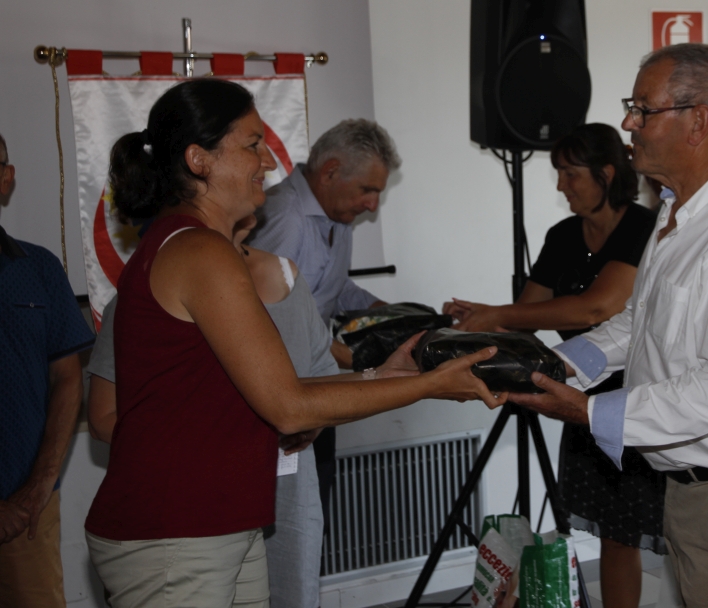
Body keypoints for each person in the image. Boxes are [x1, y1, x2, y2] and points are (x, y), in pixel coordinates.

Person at [84, 78, 504, 608]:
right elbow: (288, 406)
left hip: (221, 521)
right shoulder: (199, 251)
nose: (267, 161)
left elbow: (277, 388)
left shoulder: (198, 247)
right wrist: (427, 385)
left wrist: (385, 374)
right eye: (252, 144)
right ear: (199, 159)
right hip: (176, 529)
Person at [510, 44, 708, 608]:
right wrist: (555, 365)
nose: (628, 124)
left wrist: (589, 412)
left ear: (698, 121)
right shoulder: (678, 211)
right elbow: (640, 323)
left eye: (642, 109)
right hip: (694, 484)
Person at [85, 215, 399, 608]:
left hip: (279, 497)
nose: (259, 184)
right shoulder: (153, 287)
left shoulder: (287, 277)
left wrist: (386, 380)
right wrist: (224, 443)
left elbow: (316, 384)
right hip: (192, 512)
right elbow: (103, 416)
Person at [443, 123, 664, 608]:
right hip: (578, 395)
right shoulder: (563, 235)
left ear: (607, 173)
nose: (561, 185)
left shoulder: (643, 227)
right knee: (608, 528)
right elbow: (526, 315)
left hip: (633, 401)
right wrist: (476, 323)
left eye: (570, 173)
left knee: (627, 532)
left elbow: (596, 308)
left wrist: (498, 314)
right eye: (558, 173)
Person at [248, 118, 399, 531]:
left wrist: (399, 316)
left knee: (312, 521)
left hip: (318, 391)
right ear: (330, 172)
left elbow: (334, 289)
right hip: (279, 400)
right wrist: (356, 360)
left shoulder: (338, 216)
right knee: (281, 530)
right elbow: (270, 319)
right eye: (367, 189)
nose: (373, 205)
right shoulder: (284, 216)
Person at [0, 132, 97, 608]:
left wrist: (37, 487)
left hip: (27, 510)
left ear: (6, 178)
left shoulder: (38, 267)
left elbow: (68, 378)